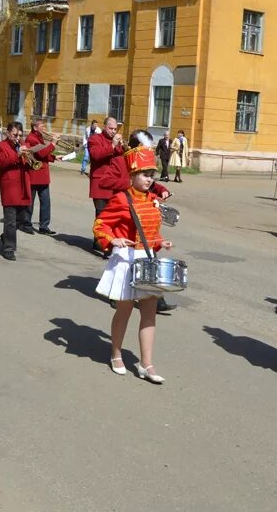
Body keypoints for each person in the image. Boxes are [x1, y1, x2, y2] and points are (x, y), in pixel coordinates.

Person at [93, 145, 174, 384]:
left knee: (150, 313)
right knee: (124, 310)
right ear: (132, 175)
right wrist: (113, 239)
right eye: (145, 174)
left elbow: (151, 231)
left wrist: (161, 241)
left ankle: (146, 363)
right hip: (126, 260)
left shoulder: (153, 200)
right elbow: (99, 225)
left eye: (152, 175)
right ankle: (116, 353)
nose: (149, 179)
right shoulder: (121, 199)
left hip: (147, 261)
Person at [0, 121, 32, 261]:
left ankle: (6, 236)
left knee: (22, 219)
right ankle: (9, 248)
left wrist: (30, 158)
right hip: (9, 187)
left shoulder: (23, 144)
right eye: (15, 134)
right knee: (10, 220)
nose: (18, 137)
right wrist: (17, 154)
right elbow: (1, 163)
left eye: (20, 135)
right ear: (8, 133)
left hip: (23, 186)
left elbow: (31, 162)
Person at [88, 117, 126, 253]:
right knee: (101, 214)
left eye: (115, 129)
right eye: (111, 128)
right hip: (99, 183)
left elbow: (121, 159)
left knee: (113, 215)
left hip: (114, 184)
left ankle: (106, 241)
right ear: (104, 127)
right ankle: (100, 242)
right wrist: (112, 146)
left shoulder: (116, 141)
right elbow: (95, 155)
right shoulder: (94, 139)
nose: (113, 131)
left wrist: (121, 147)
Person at [24, 119, 58, 235]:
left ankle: (44, 226)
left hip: (42, 174)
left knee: (45, 202)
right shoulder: (31, 138)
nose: (44, 128)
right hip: (34, 173)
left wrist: (54, 157)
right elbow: (40, 153)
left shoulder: (39, 137)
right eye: (42, 126)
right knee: (30, 201)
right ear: (35, 128)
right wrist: (53, 143)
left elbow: (44, 155)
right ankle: (26, 224)